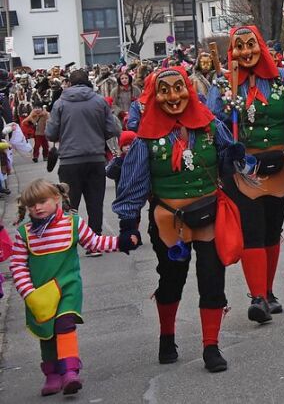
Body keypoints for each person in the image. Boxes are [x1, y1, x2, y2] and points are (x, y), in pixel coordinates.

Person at [113, 68, 245, 372]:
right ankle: (166, 336)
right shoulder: (145, 139)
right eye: (165, 90)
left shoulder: (211, 126)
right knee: (172, 280)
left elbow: (230, 159)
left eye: (179, 88)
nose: (173, 96)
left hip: (210, 215)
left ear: (189, 89)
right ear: (154, 96)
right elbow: (133, 183)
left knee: (213, 280)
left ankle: (211, 346)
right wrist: (128, 224)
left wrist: (234, 157)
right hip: (169, 220)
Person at [205, 25, 284, 325]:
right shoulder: (225, 82)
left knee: (272, 228)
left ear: (260, 46)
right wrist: (224, 147)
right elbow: (210, 121)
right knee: (252, 229)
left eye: (250, 45)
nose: (245, 52)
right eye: (239, 46)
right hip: (244, 168)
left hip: (279, 164)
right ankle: (257, 298)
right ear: (232, 50)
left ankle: (268, 291)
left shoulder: (283, 79)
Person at [9, 179, 139, 396]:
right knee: (47, 333)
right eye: (32, 205)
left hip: (67, 288)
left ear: (57, 199)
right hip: (38, 293)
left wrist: (121, 242)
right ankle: (52, 374)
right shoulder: (25, 234)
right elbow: (17, 265)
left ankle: (70, 371)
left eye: (42, 201)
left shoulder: (72, 223)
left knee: (64, 325)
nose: (37, 208)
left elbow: (94, 243)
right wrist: (28, 292)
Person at [45, 69, 121, 238]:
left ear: (69, 83)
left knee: (70, 203)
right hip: (95, 158)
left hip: (69, 160)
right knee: (95, 202)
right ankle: (95, 240)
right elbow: (113, 130)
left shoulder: (60, 103)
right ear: (88, 81)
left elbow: (50, 133)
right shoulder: (99, 101)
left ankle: (69, 238)